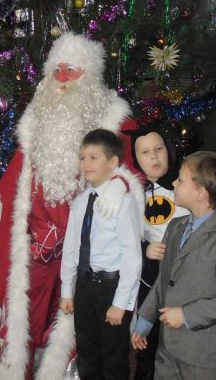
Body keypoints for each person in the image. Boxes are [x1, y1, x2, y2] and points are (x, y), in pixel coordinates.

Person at [0, 32, 141, 379]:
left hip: (86, 248)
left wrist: (121, 185)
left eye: (72, 69)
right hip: (35, 241)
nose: (62, 78)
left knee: (75, 322)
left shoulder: (112, 122)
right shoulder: (36, 119)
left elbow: (133, 172)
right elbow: (14, 182)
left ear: (89, 75)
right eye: (56, 70)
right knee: (24, 311)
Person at [132, 151, 216, 380]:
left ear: (201, 193)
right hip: (167, 349)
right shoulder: (175, 227)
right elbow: (164, 281)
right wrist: (145, 321)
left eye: (180, 180)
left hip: (203, 356)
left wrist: (186, 314)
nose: (173, 183)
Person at [59, 129, 143, 380]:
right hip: (84, 287)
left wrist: (120, 303)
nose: (86, 163)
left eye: (94, 157)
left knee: (114, 356)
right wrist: (67, 290)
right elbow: (71, 247)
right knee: (87, 351)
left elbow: (132, 257)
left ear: (113, 162)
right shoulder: (80, 201)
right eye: (82, 157)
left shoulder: (124, 202)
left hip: (111, 288)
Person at [124, 124, 190, 380]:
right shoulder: (134, 195)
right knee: (147, 341)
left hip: (184, 275)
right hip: (150, 277)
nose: (153, 156)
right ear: (136, 159)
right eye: (145, 152)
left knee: (179, 341)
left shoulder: (186, 185)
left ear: (168, 150)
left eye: (158, 149)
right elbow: (126, 235)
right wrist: (145, 249)